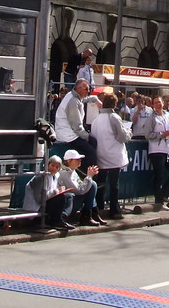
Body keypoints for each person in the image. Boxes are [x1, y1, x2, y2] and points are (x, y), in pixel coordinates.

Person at [89, 90, 131, 219]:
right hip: (113, 156)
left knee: (101, 183)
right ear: (114, 104)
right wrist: (129, 132)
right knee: (114, 184)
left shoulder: (96, 119)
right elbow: (122, 136)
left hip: (100, 155)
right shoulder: (114, 117)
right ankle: (115, 210)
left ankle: (99, 208)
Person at [146, 97, 169, 211]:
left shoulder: (167, 114)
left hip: (168, 149)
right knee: (159, 176)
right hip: (156, 150)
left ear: (163, 103)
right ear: (153, 105)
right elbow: (148, 135)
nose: (158, 104)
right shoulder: (151, 117)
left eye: (159, 102)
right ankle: (159, 202)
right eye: (155, 103)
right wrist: (162, 135)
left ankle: (164, 194)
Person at [53, 78, 98, 166]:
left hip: (70, 132)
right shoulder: (73, 102)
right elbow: (76, 126)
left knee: (93, 142)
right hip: (68, 135)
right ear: (79, 89)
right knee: (91, 153)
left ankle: (83, 168)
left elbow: (83, 100)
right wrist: (86, 136)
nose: (88, 91)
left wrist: (95, 99)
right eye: (86, 89)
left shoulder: (72, 95)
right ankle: (85, 172)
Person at [23, 156, 75, 231]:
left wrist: (59, 192)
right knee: (61, 198)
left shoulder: (55, 176)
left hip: (45, 204)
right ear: (47, 165)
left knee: (69, 196)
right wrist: (57, 192)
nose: (54, 168)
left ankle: (61, 218)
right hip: (36, 209)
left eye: (57, 167)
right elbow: (40, 199)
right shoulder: (40, 177)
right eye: (52, 165)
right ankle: (57, 221)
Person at [57, 149, 102, 227]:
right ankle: (88, 215)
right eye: (76, 159)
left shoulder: (72, 171)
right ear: (69, 161)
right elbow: (79, 191)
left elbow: (81, 185)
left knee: (92, 184)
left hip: (72, 202)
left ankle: (91, 213)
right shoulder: (64, 173)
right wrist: (89, 177)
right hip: (67, 206)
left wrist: (89, 178)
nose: (79, 161)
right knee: (92, 185)